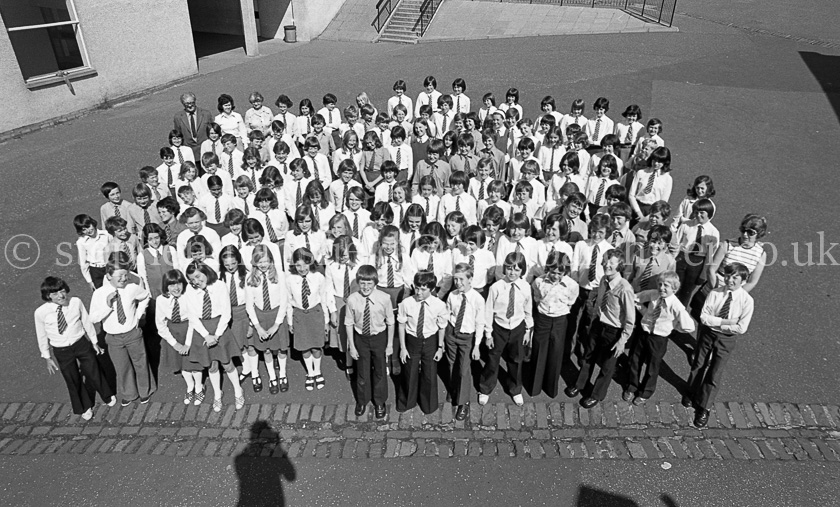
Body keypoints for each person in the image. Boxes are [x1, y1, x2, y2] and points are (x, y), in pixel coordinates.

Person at [35, 277, 115, 420]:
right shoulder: (41, 313)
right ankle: (84, 406)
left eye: (62, 291)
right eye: (55, 294)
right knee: (72, 378)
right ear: (48, 296)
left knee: (93, 370)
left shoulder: (75, 302)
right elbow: (41, 335)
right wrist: (46, 356)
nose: (61, 296)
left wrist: (94, 341)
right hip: (61, 349)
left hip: (80, 343)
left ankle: (107, 395)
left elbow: (86, 321)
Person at [685, 263, 754, 428]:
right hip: (708, 334)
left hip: (727, 339)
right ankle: (691, 392)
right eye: (728, 276)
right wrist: (727, 322)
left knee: (715, 372)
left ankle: (704, 406)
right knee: (698, 364)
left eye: (735, 277)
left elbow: (741, 327)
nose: (730, 280)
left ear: (743, 281)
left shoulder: (747, 301)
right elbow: (703, 317)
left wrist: (718, 324)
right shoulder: (715, 293)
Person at [573, 249, 634, 409]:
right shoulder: (603, 280)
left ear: (619, 265)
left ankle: (596, 395)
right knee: (588, 356)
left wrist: (622, 341)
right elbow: (600, 302)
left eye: (611, 262)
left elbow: (630, 319)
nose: (607, 265)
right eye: (606, 261)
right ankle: (580, 384)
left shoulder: (625, 288)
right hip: (598, 324)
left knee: (607, 366)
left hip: (614, 331)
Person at [89, 256, 154, 406]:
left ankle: (145, 390)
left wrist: (139, 314)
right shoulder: (99, 294)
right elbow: (93, 318)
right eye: (120, 276)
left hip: (132, 333)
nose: (124, 279)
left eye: (126, 275)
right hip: (113, 337)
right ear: (109, 276)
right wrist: (108, 305)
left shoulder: (131, 288)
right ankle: (130, 393)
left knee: (140, 363)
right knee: (122, 366)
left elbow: (145, 297)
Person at [625, 271, 695, 405]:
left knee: (652, 366)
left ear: (674, 288)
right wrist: (644, 312)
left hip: (658, 339)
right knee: (635, 359)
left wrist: (673, 327)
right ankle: (631, 386)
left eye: (666, 286)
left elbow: (689, 326)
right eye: (660, 284)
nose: (662, 288)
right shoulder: (653, 294)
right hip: (644, 331)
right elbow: (636, 298)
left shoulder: (676, 306)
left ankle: (646, 392)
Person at [184, 262, 245, 412]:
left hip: (220, 328)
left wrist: (216, 335)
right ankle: (217, 393)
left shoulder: (219, 285)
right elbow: (192, 316)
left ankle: (238, 390)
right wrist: (206, 335)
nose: (196, 282)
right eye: (192, 279)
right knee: (211, 365)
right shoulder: (190, 291)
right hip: (202, 331)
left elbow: (226, 312)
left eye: (198, 276)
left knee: (227, 362)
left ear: (206, 271)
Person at [479, 251, 533, 406]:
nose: (512, 272)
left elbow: (528, 310)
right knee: (492, 358)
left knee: (516, 360)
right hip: (499, 328)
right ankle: (485, 387)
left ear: (522, 271)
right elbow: (488, 311)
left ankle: (515, 388)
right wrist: (488, 334)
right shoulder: (496, 287)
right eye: (509, 268)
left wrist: (528, 330)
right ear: (504, 268)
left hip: (517, 327)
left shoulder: (525, 287)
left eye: (517, 269)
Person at [526, 251, 578, 398]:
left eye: (560, 273)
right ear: (548, 269)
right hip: (543, 319)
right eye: (553, 272)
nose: (556, 276)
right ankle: (535, 386)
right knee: (539, 350)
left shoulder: (572, 285)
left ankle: (550, 387)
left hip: (560, 320)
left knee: (555, 353)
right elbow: (537, 298)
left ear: (566, 272)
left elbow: (571, 301)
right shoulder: (538, 282)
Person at [345, 264, 394, 418]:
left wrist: (390, 344)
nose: (366, 287)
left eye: (369, 283)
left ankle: (379, 401)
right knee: (362, 372)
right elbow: (349, 323)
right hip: (361, 338)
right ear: (358, 283)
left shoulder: (384, 298)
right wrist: (352, 346)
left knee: (380, 371)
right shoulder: (352, 300)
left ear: (375, 283)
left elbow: (390, 322)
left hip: (379, 337)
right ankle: (362, 400)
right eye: (362, 283)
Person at [396, 271, 448, 414]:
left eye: (423, 289)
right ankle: (407, 402)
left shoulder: (439, 305)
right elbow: (401, 325)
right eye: (417, 288)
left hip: (430, 341)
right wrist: (403, 348)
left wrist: (439, 347)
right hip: (412, 341)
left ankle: (428, 405)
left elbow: (442, 327)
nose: (419, 292)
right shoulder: (406, 303)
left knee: (429, 374)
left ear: (431, 289)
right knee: (409, 372)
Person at [287, 247, 337, 391]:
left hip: (316, 314)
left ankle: (318, 371)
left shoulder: (318, 277)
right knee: (304, 347)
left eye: (305, 264)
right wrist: (290, 322)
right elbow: (289, 302)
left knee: (316, 346)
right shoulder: (290, 279)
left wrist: (326, 321)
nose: (302, 268)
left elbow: (324, 299)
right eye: (298, 265)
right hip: (299, 315)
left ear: (310, 263)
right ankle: (310, 373)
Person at [244, 245, 290, 395]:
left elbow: (284, 300)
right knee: (267, 349)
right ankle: (272, 377)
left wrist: (277, 324)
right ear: (254, 262)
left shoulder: (280, 275)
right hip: (261, 317)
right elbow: (249, 305)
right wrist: (257, 327)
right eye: (259, 262)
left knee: (282, 348)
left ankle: (282, 374)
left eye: (265, 261)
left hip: (277, 315)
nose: (263, 265)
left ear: (271, 260)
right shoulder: (250, 278)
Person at [155, 269, 204, 406]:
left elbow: (193, 320)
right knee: (182, 364)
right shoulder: (161, 300)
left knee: (193, 363)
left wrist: (188, 343)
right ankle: (190, 387)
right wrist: (174, 344)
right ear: (166, 287)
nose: (176, 288)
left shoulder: (189, 296)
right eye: (171, 285)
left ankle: (199, 387)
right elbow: (161, 325)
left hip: (189, 330)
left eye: (178, 284)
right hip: (174, 333)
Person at [444, 263, 485, 420]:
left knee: (463, 369)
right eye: (455, 279)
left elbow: (480, 323)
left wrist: (476, 346)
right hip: (452, 333)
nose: (458, 283)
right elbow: (448, 312)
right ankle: (454, 391)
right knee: (451, 364)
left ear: (470, 279)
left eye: (461, 279)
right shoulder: (452, 295)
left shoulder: (477, 299)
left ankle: (463, 402)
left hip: (467, 337)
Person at [73, 214, 111, 290]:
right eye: (84, 229)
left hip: (109, 266)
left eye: (88, 226)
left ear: (92, 223)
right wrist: (89, 281)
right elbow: (83, 263)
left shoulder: (106, 234)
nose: (88, 231)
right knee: (100, 293)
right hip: (95, 270)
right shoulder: (81, 242)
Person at [174, 92, 214, 162]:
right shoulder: (178, 117)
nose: (190, 105)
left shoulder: (206, 114)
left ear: (195, 101)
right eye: (187, 103)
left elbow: (213, 131)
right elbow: (177, 135)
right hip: (189, 153)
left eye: (192, 102)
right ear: (183, 104)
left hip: (206, 150)